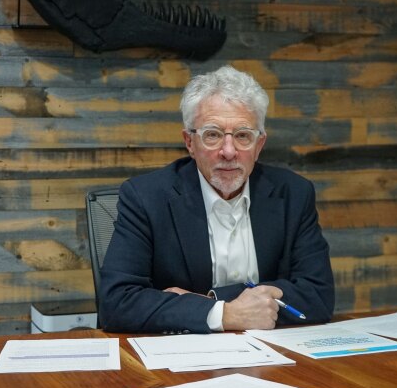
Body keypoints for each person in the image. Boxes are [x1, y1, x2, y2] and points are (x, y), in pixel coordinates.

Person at [98, 65, 334, 334]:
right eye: (213, 135)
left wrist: (212, 300)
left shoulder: (293, 193)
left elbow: (318, 296)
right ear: (189, 142)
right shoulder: (146, 197)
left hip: (271, 356)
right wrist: (226, 315)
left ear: (259, 145)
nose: (229, 151)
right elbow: (116, 303)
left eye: (243, 136)